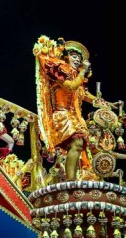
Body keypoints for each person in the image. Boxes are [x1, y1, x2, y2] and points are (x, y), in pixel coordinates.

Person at [34, 37, 99, 181]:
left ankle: (73, 179)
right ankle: (70, 182)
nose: (77, 60)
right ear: (66, 56)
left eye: (79, 58)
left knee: (80, 147)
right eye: (74, 56)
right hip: (63, 115)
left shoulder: (78, 78)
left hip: (75, 117)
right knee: (77, 143)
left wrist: (106, 103)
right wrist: (82, 73)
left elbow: (86, 95)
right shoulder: (61, 69)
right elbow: (70, 86)